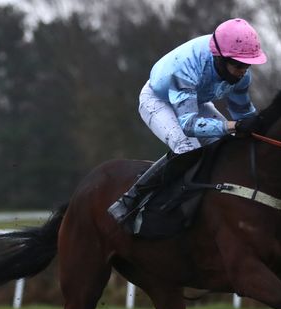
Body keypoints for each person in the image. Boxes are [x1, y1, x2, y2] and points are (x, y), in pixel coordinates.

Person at [108, 18, 268, 223]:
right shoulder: (187, 68)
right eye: (238, 65)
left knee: (226, 146)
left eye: (247, 64)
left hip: (196, 101)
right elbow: (190, 125)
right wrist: (232, 126)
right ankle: (130, 199)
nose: (243, 70)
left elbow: (243, 113)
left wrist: (260, 126)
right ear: (219, 58)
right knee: (188, 148)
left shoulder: (241, 75)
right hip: (158, 100)